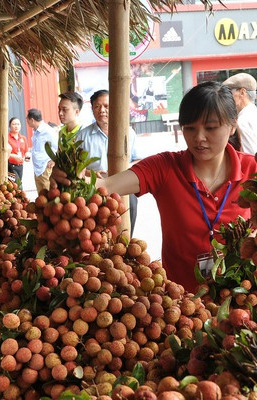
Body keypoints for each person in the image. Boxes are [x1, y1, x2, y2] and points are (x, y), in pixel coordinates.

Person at [52, 81, 257, 293]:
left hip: (243, 301)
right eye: (190, 128)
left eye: (211, 128)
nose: (199, 138)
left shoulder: (253, 170)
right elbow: (105, 186)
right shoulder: (165, 167)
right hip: (180, 306)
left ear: (232, 125)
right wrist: (69, 178)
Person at [76, 89, 141, 235]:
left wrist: (125, 169)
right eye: (97, 107)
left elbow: (137, 159)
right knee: (99, 233)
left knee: (126, 230)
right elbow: (76, 167)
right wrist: (89, 173)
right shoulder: (83, 136)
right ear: (92, 109)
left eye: (106, 106)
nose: (102, 110)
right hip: (95, 190)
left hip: (124, 186)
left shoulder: (128, 133)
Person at [223, 73, 257, 154]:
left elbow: (250, 156)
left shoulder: (242, 122)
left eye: (229, 93)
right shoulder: (253, 114)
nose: (225, 97)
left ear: (242, 92)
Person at [27, 108, 58, 194]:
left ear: (32, 120)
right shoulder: (36, 131)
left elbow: (58, 146)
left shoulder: (48, 131)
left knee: (47, 192)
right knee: (40, 194)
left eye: (27, 120)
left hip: (45, 167)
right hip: (37, 168)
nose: (27, 122)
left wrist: (54, 160)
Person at [7, 117, 30, 186]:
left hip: (20, 166)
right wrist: (13, 156)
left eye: (18, 124)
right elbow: (4, 153)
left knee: (17, 184)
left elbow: (26, 151)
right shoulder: (7, 138)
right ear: (9, 126)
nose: (16, 126)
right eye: (14, 124)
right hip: (10, 166)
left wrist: (27, 157)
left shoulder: (23, 138)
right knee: (18, 185)